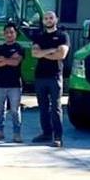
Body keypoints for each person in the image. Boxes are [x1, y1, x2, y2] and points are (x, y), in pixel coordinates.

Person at [32, 11, 70, 148]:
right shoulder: (39, 36)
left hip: (55, 76)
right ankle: (46, 133)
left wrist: (44, 53)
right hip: (40, 76)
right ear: (43, 21)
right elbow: (34, 53)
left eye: (51, 18)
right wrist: (51, 50)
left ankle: (58, 137)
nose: (48, 20)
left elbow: (62, 54)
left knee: (56, 107)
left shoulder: (62, 36)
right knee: (43, 107)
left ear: (56, 19)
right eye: (46, 18)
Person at [0, 23, 24, 143]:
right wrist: (9, 59)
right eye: (7, 32)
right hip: (0, 84)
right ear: (3, 34)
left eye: (12, 32)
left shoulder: (19, 48)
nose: (9, 34)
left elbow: (16, 63)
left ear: (15, 34)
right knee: (0, 110)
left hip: (15, 85)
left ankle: (17, 134)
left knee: (15, 110)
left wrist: (3, 59)